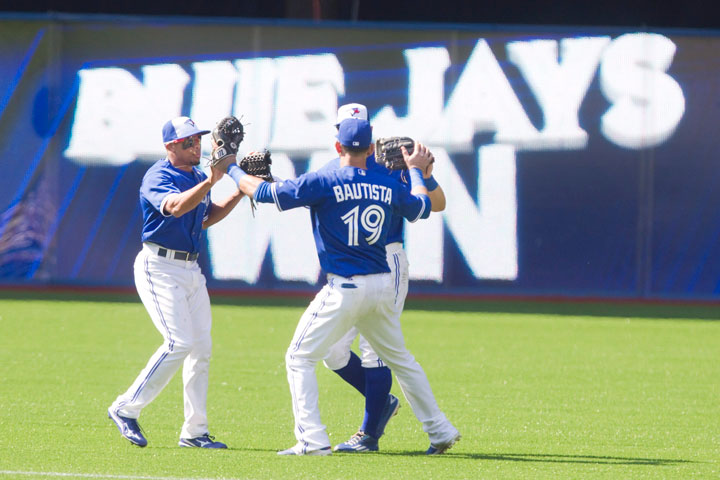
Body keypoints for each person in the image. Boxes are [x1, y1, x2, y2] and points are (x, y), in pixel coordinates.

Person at [228, 116, 460, 456]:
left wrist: (231, 168)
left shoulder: (327, 178)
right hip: (382, 284)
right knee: (400, 359)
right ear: (370, 148)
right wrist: (416, 172)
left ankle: (313, 439)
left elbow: (265, 193)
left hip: (346, 287)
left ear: (338, 145)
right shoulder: (387, 184)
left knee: (298, 357)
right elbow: (423, 207)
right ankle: (440, 430)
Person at [108, 116, 242, 449]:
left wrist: (240, 189)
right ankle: (125, 408)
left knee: (201, 350)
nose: (196, 145)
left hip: (191, 271)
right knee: (178, 342)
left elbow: (206, 216)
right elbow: (177, 207)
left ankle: (195, 432)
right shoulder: (158, 176)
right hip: (159, 267)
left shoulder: (197, 175)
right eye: (188, 142)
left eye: (198, 140)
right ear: (170, 147)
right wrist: (213, 179)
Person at [319, 104, 447, 453]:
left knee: (377, 352)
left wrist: (423, 172)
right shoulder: (338, 167)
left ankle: (369, 432)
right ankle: (384, 404)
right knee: (332, 349)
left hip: (387, 258)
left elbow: (437, 203)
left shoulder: (394, 163)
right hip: (352, 265)